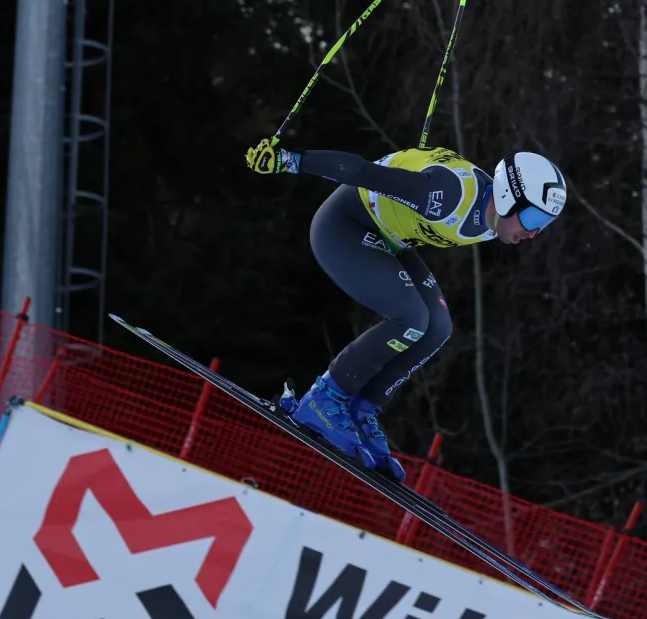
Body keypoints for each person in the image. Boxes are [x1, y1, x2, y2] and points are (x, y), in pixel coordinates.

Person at [243, 140, 567, 480]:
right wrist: (292, 160)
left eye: (543, 223)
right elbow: (362, 172)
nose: (533, 232)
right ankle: (322, 400)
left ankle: (360, 409)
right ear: (507, 197)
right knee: (412, 319)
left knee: (438, 328)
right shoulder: (448, 196)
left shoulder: (497, 219)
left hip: (388, 238)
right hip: (345, 228)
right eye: (532, 217)